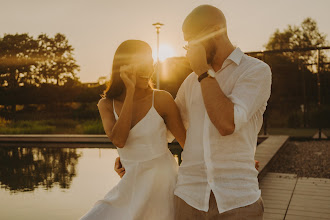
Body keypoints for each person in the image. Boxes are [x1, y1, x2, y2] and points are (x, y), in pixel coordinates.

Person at [115, 5, 271, 219]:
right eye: (186, 43)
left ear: (216, 30)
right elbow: (166, 129)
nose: (188, 49)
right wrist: (132, 158)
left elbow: (227, 124)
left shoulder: (255, 71)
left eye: (192, 41)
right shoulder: (191, 82)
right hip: (188, 198)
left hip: (238, 200)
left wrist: (203, 73)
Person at [79, 40, 186, 220]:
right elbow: (120, 140)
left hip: (163, 183)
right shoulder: (105, 104)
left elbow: (188, 145)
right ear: (124, 67)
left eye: (151, 64)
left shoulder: (161, 99)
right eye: (142, 65)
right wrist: (129, 91)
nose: (149, 70)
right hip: (131, 184)